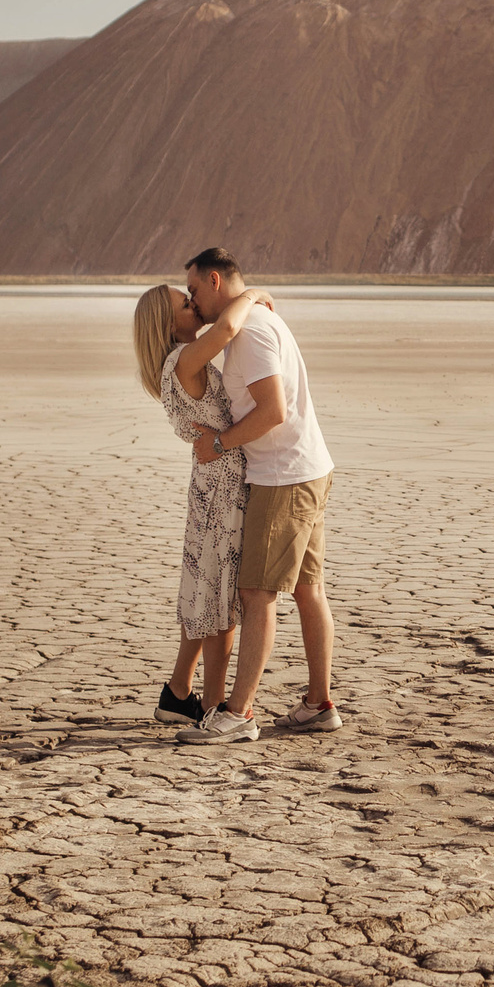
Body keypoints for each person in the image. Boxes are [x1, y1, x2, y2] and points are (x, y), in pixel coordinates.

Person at [176, 246, 341, 741]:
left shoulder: (248, 333)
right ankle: (318, 704)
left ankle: (239, 713)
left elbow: (273, 411)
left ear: (213, 281)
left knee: (256, 593)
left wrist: (220, 443)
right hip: (308, 467)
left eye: (192, 291)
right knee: (308, 589)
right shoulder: (254, 321)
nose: (192, 301)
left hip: (283, 475)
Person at [129, 278, 274, 725]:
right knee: (219, 603)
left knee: (203, 594)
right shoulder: (182, 360)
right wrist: (251, 295)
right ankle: (212, 705)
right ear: (167, 323)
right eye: (186, 304)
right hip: (222, 490)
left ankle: (178, 692)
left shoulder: (173, 365)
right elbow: (227, 331)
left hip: (210, 483)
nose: (195, 306)